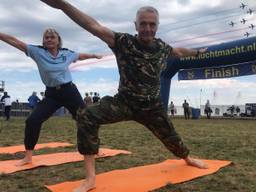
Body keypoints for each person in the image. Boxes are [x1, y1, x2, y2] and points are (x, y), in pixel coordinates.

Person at [41, 1, 208, 191]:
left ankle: (187, 158)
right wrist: (63, 5)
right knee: (86, 116)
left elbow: (178, 52)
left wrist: (196, 52)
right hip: (124, 102)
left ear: (157, 26)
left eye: (152, 24)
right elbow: (93, 27)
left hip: (151, 107)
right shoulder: (123, 42)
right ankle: (90, 179)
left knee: (171, 137)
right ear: (135, 25)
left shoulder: (162, 48)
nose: (147, 28)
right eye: (143, 24)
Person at [0, 28, 102, 166]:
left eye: (52, 37)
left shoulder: (66, 53)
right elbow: (15, 41)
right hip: (52, 94)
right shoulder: (37, 52)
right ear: (43, 41)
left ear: (58, 40)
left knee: (86, 119)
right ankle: (28, 157)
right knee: (32, 121)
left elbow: (80, 55)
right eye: (46, 37)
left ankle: (94, 149)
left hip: (69, 91)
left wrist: (94, 55)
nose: (49, 39)